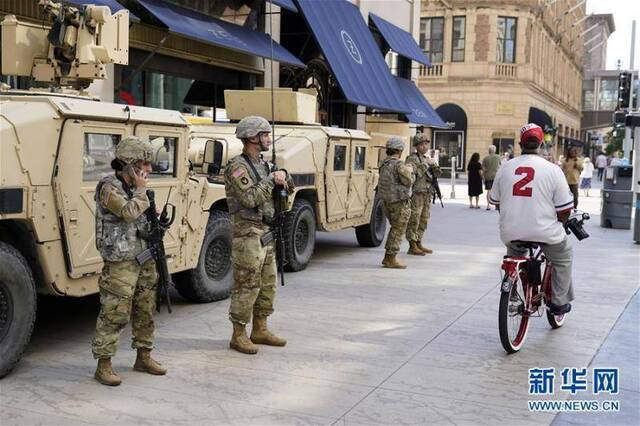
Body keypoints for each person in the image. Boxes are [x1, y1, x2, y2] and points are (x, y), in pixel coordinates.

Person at [92, 136, 167, 387]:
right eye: (144, 164)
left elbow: (139, 217)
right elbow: (126, 213)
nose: (149, 169)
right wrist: (142, 192)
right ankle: (104, 365)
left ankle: (143, 356)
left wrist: (154, 215)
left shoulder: (135, 187)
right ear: (130, 164)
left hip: (142, 255)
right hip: (120, 259)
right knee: (115, 312)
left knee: (145, 308)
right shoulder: (108, 187)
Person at [224, 116, 294, 355]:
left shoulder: (265, 165)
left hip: (267, 231)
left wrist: (283, 176)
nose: (268, 139)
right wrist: (271, 180)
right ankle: (238, 334)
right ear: (252, 137)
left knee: (267, 284)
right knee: (247, 285)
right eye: (264, 135)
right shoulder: (237, 167)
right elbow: (250, 198)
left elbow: (284, 188)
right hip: (247, 233)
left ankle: (260, 328)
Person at [489, 123, 575, 315]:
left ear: (520, 143)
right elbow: (565, 208)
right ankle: (558, 303)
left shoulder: (505, 167)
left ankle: (513, 288)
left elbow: (495, 201)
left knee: (513, 252)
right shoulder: (552, 170)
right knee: (564, 257)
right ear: (541, 143)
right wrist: (561, 221)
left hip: (511, 230)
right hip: (545, 232)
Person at [379, 137, 414, 269]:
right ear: (399, 150)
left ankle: (389, 256)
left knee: (395, 228)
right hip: (398, 201)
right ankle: (390, 258)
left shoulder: (383, 163)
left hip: (386, 201)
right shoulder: (399, 164)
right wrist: (410, 171)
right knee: (398, 229)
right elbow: (409, 181)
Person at [405, 133, 441, 255]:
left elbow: (438, 174)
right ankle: (412, 245)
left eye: (426, 144)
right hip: (416, 194)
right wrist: (427, 164)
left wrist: (434, 165)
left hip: (426, 193)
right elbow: (415, 173)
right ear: (416, 146)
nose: (424, 146)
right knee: (414, 219)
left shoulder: (427, 158)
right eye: (421, 144)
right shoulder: (412, 158)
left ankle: (419, 242)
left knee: (424, 219)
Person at [481, 145, 501, 210]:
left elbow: (483, 169)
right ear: (494, 150)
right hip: (496, 176)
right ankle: (496, 205)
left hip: (488, 176)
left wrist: (483, 177)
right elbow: (501, 166)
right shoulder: (498, 157)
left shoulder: (485, 158)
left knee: (489, 191)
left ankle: (488, 205)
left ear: (489, 150)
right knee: (496, 191)